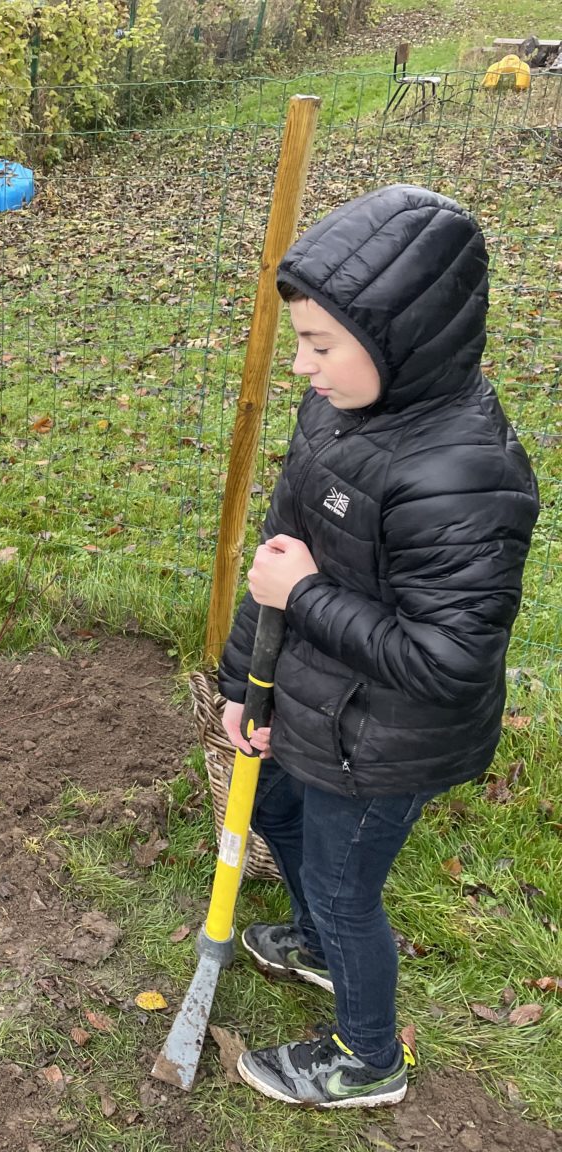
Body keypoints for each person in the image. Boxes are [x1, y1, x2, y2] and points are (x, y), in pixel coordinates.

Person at [218, 184, 538, 1108]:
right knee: (275, 811)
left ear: (403, 339)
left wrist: (305, 597)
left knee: (343, 886)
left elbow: (448, 662)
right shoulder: (335, 411)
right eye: (300, 342)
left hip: (387, 739)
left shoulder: (462, 476)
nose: (302, 366)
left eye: (321, 345)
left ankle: (367, 1059)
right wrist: (243, 683)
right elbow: (277, 554)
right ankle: (318, 945)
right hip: (318, 697)